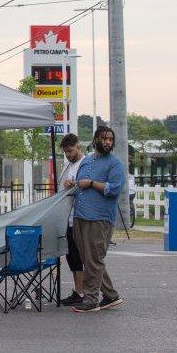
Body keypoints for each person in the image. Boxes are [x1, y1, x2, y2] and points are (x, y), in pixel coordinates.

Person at [70, 126, 125, 313]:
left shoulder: (115, 164)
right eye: (104, 138)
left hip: (100, 219)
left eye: (110, 139)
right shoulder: (87, 161)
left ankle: (91, 300)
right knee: (89, 259)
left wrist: (92, 184)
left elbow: (114, 189)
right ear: (96, 140)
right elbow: (79, 184)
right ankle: (111, 295)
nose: (108, 142)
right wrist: (72, 184)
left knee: (94, 259)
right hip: (80, 216)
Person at [57, 133, 86, 307]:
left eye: (70, 151)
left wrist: (73, 185)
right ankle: (77, 290)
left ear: (78, 147)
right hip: (67, 216)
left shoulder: (85, 163)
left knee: (79, 255)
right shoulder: (68, 164)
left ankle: (82, 291)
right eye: (66, 152)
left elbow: (84, 184)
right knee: (71, 256)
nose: (68, 154)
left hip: (78, 215)